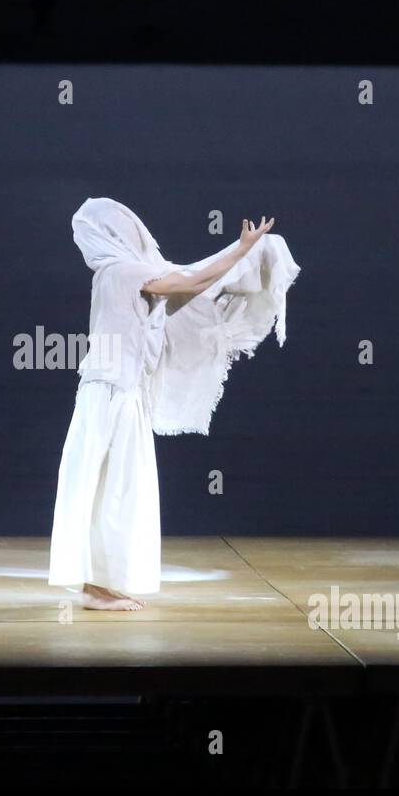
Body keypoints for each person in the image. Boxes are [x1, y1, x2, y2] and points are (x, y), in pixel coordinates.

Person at [48, 197, 301, 610]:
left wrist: (242, 255)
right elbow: (186, 281)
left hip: (113, 390)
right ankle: (96, 587)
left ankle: (100, 584)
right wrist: (241, 250)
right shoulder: (121, 272)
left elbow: (187, 284)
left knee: (109, 487)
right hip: (112, 392)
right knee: (114, 487)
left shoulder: (117, 274)